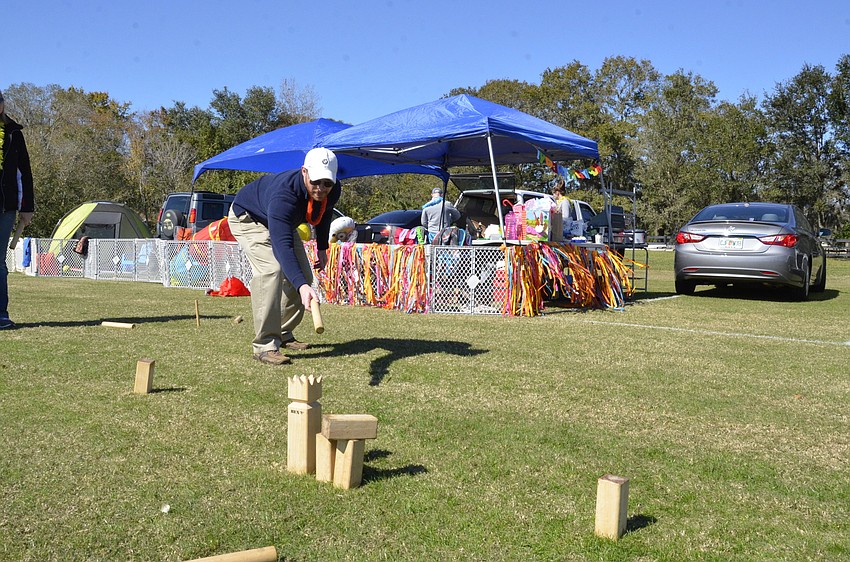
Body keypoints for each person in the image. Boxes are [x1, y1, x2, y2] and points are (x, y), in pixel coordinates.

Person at [227, 148, 341, 365]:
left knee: (304, 277)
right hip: (249, 217)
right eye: (316, 181)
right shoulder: (284, 195)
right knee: (271, 270)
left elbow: (325, 213)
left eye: (327, 183)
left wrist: (322, 248)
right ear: (304, 172)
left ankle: (283, 331)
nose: (321, 188)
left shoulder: (332, 190)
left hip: (282, 222)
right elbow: (282, 246)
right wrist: (300, 286)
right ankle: (265, 345)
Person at [1, 90, 35, 330]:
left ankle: (1, 314)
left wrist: (27, 208)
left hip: (6, 206)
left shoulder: (14, 134)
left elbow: (24, 172)